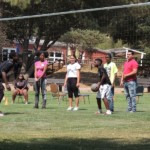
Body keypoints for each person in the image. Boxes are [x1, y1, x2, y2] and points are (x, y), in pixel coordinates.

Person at [0, 52, 18, 116]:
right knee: (1, 92)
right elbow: (3, 72)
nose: (18, 57)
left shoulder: (8, 62)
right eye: (16, 56)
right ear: (13, 57)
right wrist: (7, 84)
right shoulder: (10, 63)